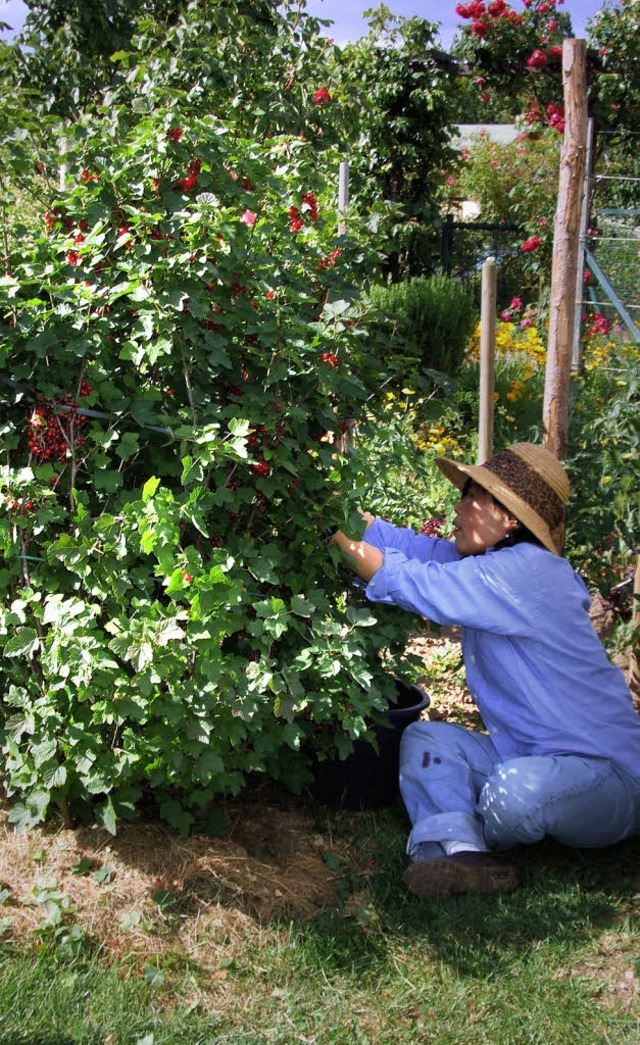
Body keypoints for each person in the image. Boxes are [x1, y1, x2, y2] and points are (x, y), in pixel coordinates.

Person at [332, 442, 640, 898]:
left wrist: (329, 536)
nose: (458, 505)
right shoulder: (487, 563)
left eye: (474, 496)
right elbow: (400, 546)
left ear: (510, 518)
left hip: (606, 778)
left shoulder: (528, 572)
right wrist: (324, 500)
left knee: (514, 795)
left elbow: (413, 581)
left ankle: (475, 826)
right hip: (530, 757)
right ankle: (463, 855)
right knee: (427, 740)